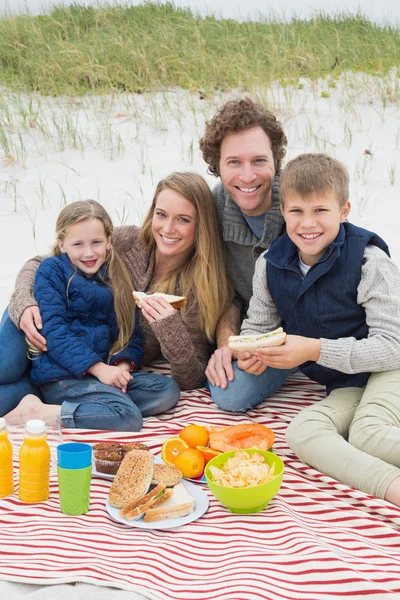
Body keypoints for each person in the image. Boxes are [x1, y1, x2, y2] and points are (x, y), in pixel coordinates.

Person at [236, 153, 400, 506]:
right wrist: (252, 350)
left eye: (320, 211)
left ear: (343, 211)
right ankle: (392, 486)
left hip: (390, 369)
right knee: (302, 433)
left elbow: (393, 347)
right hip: (348, 382)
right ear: (282, 211)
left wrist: (315, 350)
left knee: (368, 433)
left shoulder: (369, 260)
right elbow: (257, 325)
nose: (307, 223)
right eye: (296, 211)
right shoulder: (270, 264)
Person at [0, 172, 231, 413]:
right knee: (5, 368)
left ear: (200, 225)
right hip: (39, 326)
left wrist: (169, 329)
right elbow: (39, 263)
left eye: (183, 219)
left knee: (164, 393)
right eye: (161, 214)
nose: (168, 228)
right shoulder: (127, 241)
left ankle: (47, 402)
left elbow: (191, 378)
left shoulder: (197, 290)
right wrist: (25, 303)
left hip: (83, 372)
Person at [4, 200, 180, 431]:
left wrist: (122, 368)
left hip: (98, 376)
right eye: (77, 244)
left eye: (96, 242)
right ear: (62, 244)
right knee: (128, 417)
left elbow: (131, 334)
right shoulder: (52, 271)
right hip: (63, 377)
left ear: (109, 241)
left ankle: (99, 408)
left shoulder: (116, 276)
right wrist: (99, 369)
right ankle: (41, 412)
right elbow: (55, 333)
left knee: (166, 390)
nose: (88, 252)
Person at [199, 97, 292, 408]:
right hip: (251, 333)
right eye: (234, 162)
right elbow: (229, 295)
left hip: (306, 332)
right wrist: (228, 345)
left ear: (276, 160)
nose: (248, 176)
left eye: (259, 161)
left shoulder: (301, 197)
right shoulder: (212, 206)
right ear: (217, 165)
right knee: (230, 393)